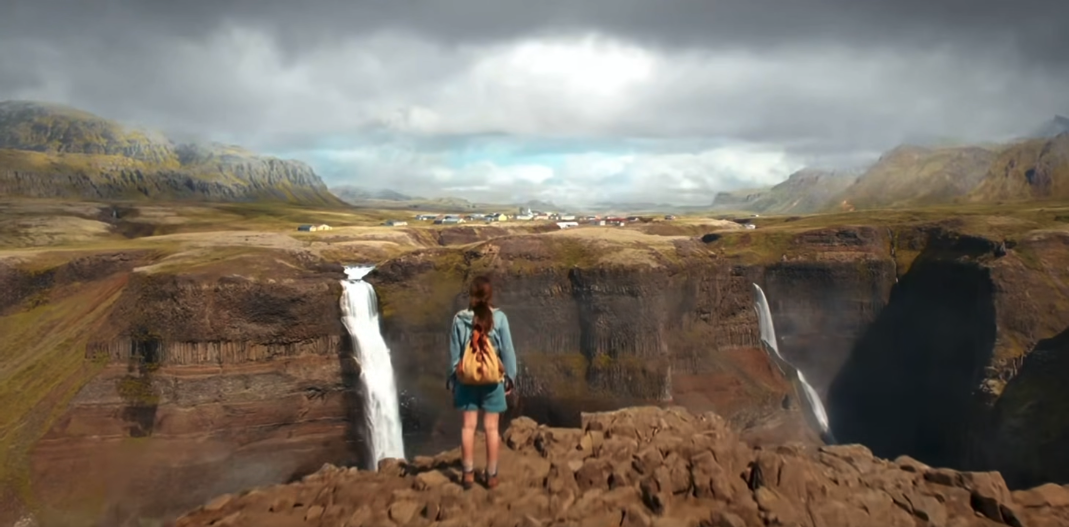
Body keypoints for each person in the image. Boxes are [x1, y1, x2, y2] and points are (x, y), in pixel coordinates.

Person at [447, 275, 517, 490]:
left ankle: (467, 475)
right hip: (492, 381)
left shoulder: (459, 319)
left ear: (471, 295)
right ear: (490, 295)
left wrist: (453, 379)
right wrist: (510, 378)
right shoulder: (500, 319)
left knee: (468, 427)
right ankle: (491, 475)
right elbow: (508, 352)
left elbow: (455, 355)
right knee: (491, 429)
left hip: (467, 382)